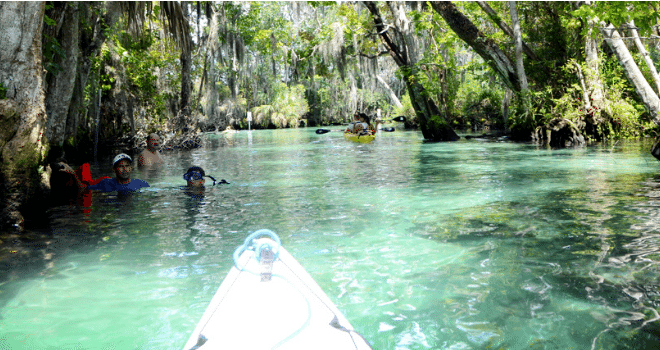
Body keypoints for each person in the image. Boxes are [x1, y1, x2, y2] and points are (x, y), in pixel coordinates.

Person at [62, 154, 149, 193]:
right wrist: (72, 173)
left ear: (131, 168)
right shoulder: (106, 183)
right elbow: (83, 188)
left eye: (127, 166)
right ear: (114, 169)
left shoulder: (141, 184)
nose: (124, 169)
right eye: (121, 166)